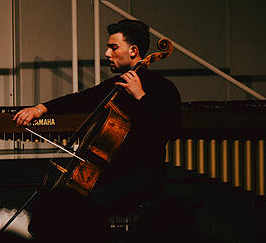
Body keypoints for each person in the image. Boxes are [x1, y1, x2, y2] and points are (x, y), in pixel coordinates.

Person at [13, 19, 182, 213]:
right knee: (58, 202)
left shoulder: (162, 88)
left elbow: (171, 128)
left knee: (86, 207)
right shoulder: (115, 86)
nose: (107, 53)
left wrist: (140, 96)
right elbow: (80, 100)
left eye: (113, 47)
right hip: (111, 174)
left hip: (143, 176)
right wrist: (41, 108)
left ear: (133, 51)